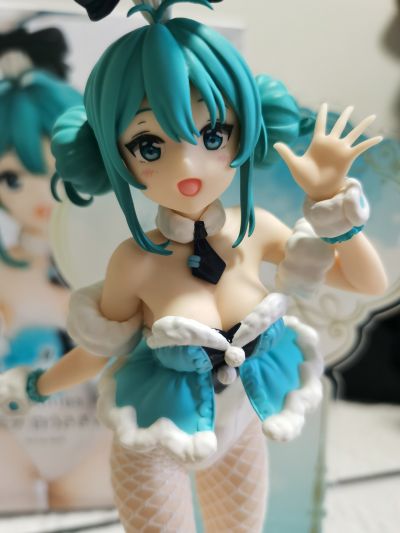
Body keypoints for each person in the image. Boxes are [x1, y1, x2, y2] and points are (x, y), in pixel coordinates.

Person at [0, 2, 387, 530]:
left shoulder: (258, 231)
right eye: (149, 145)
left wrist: (331, 206)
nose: (187, 166)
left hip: (242, 429)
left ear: (244, 131)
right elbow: (99, 352)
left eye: (213, 135)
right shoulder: (135, 262)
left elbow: (368, 282)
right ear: (115, 156)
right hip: (153, 440)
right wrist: (34, 388)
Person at [0, 27, 112, 511]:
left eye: (55, 170)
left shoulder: (115, 260)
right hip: (11, 430)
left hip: (99, 426)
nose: (36, 193)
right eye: (12, 178)